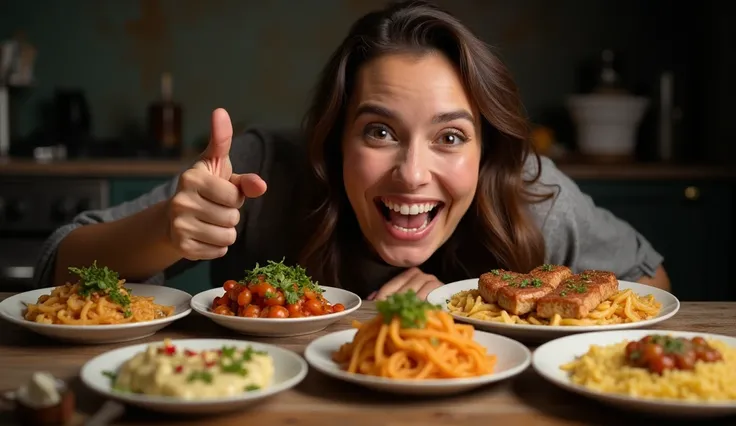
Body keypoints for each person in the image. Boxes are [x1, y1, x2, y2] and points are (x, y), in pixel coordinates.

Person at [33, 0, 670, 301]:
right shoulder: (265, 171)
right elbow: (55, 266)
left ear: (487, 151)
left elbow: (653, 282)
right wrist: (168, 230)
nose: (413, 174)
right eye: (380, 131)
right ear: (335, 138)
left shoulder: (534, 198)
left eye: (450, 138)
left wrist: (513, 299)